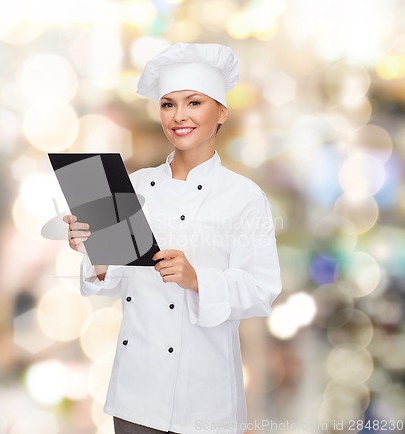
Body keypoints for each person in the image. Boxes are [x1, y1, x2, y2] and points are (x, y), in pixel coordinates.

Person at [63, 43, 282, 434]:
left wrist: (197, 278)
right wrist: (93, 250)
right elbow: (109, 281)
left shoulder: (245, 197)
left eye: (194, 102)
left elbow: (262, 289)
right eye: (168, 104)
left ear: (221, 112)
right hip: (135, 394)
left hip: (206, 397)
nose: (179, 116)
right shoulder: (132, 185)